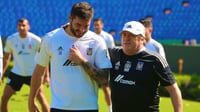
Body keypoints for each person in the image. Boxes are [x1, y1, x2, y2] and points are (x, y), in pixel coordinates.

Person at [28, 2, 112, 112]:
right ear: (70, 18)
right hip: (59, 107)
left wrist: (82, 61)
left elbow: (104, 78)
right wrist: (31, 100)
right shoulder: (51, 38)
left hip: (88, 107)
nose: (81, 30)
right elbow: (39, 72)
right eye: (78, 25)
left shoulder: (97, 41)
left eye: (86, 26)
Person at [108, 21, 183, 112]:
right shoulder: (113, 53)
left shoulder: (154, 59)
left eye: (131, 35)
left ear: (142, 39)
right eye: (124, 34)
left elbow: (173, 89)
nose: (126, 38)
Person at [1, 18, 50, 112]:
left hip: (33, 75)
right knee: (4, 98)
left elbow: (44, 59)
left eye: (23, 25)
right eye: (19, 25)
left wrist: (46, 76)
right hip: (16, 74)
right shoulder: (11, 39)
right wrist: (1, 73)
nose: (21, 27)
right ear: (17, 27)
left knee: (42, 99)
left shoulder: (36, 40)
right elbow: (6, 58)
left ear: (28, 27)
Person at [93, 17, 115, 112]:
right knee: (91, 88)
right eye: (95, 25)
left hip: (104, 66)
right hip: (92, 66)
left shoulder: (108, 37)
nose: (96, 27)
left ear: (102, 25)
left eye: (98, 25)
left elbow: (113, 52)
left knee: (105, 88)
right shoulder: (90, 36)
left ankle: (110, 109)